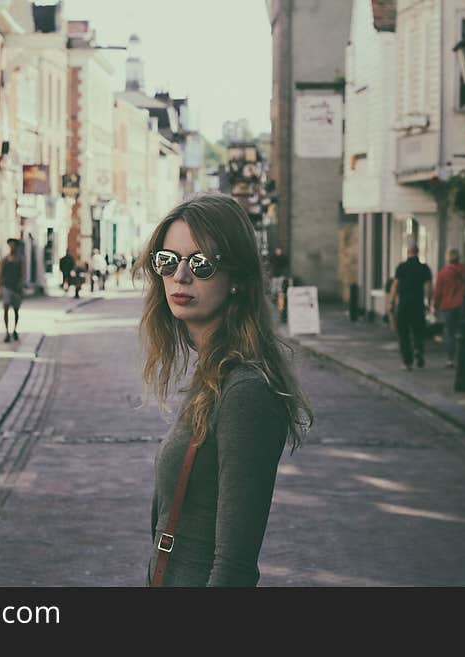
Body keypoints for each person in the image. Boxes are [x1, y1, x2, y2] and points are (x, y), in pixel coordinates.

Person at [134, 192, 313, 587]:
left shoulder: (245, 391)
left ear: (237, 277)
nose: (180, 276)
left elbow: (234, 566)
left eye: (201, 263)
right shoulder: (212, 374)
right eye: (168, 261)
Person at [387, 242, 432, 370]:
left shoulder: (402, 267)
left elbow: (395, 285)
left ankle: (407, 361)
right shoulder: (424, 268)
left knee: (404, 333)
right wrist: (428, 302)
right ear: (418, 252)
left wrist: (391, 302)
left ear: (408, 252)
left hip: (404, 304)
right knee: (419, 330)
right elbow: (429, 287)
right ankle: (418, 350)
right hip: (418, 304)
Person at [433, 248, 465, 368]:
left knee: (450, 333)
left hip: (448, 306)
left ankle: (450, 359)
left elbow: (438, 291)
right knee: (463, 332)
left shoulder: (443, 273)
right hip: (462, 305)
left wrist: (435, 306)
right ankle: (463, 357)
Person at [0, 238, 24, 342]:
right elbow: (0, 273)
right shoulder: (4, 260)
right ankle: (7, 332)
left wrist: (21, 285)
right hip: (7, 287)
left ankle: (14, 330)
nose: (12, 247)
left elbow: (23, 273)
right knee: (5, 310)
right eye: (10, 245)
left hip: (16, 288)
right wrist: (0, 287)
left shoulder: (20, 260)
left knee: (16, 311)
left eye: (14, 245)